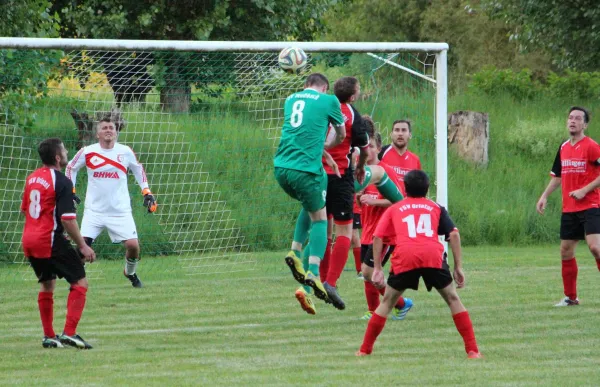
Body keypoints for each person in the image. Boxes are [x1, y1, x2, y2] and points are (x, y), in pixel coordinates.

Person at [356, 170, 481, 359]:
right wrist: (458, 267)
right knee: (453, 299)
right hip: (432, 255)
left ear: (404, 189)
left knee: (387, 302)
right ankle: (473, 351)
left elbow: (378, 237)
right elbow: (454, 234)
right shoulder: (435, 207)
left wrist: (378, 269)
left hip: (406, 256)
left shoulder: (394, 208)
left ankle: (364, 350)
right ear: (427, 188)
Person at [275, 73, 346, 307]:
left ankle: (295, 250)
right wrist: (328, 146)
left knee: (311, 204)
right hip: (306, 171)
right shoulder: (329, 101)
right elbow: (342, 134)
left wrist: (321, 151)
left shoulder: (291, 99)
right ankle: (313, 272)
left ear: (305, 85)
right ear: (324, 87)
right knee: (321, 220)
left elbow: (304, 135)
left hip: (281, 168)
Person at [21, 138, 96, 349]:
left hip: (29, 240)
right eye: (63, 150)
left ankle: (49, 336)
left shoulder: (32, 178)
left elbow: (25, 209)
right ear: (57, 157)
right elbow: (67, 218)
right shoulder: (62, 181)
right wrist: (82, 245)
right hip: (49, 238)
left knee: (48, 283)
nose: (66, 152)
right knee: (80, 282)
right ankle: (69, 333)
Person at [66, 118, 157, 288]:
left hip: (120, 211)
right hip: (94, 211)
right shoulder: (87, 151)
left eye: (111, 128)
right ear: (97, 133)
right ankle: (77, 281)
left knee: (133, 247)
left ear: (116, 132)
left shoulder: (125, 151)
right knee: (81, 249)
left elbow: (138, 169)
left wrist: (147, 191)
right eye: (104, 128)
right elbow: (71, 168)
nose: (109, 130)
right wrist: (70, 191)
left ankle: (130, 272)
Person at [536, 106, 600, 306]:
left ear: (585, 124)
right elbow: (558, 176)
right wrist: (544, 195)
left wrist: (584, 190)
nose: (573, 121)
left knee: (595, 247)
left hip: (591, 205)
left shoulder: (591, 146)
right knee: (565, 251)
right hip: (570, 209)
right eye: (570, 118)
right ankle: (571, 298)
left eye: (578, 118)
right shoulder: (563, 147)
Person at [318, 76, 369, 310]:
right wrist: (360, 167)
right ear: (352, 95)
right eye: (358, 90)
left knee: (322, 228)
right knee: (345, 230)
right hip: (339, 175)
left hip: (316, 173)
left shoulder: (320, 106)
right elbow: (364, 147)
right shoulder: (352, 113)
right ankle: (331, 281)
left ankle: (318, 279)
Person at [357, 130, 413, 321]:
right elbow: (361, 203)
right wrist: (358, 198)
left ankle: (400, 303)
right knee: (366, 274)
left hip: (385, 233)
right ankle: (373, 310)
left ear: (379, 148)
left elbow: (399, 201)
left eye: (372, 146)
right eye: (365, 147)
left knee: (368, 271)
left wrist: (374, 202)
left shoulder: (385, 171)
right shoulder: (362, 173)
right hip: (368, 230)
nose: (368, 151)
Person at [379, 120, 422, 196]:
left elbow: (418, 188)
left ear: (410, 135)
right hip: (383, 206)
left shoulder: (415, 160)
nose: (400, 134)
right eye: (397, 130)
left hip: (405, 206)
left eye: (404, 130)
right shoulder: (381, 153)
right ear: (391, 134)